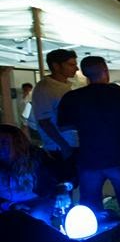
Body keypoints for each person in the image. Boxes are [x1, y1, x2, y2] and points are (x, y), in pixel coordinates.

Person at [58, 56, 120, 242]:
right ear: (105, 71)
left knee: (90, 200)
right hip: (119, 156)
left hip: (89, 158)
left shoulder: (72, 98)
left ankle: (96, 238)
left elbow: (65, 127)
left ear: (84, 73)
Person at [30, 49, 79, 182]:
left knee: (74, 182)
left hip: (72, 144)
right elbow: (44, 121)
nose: (76, 68)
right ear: (56, 66)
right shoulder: (45, 87)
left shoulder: (66, 86)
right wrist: (64, 146)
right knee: (64, 184)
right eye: (71, 64)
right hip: (58, 148)